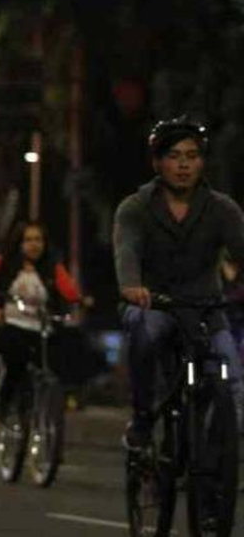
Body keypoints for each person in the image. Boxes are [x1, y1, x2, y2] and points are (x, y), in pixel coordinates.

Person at [114, 116, 244, 449]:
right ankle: (142, 418)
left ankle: (222, 462)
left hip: (205, 309)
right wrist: (131, 285)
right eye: (174, 156)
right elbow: (126, 247)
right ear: (157, 162)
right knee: (142, 334)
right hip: (154, 304)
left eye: (192, 155)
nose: (184, 165)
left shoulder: (222, 209)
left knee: (232, 380)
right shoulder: (136, 207)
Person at [0, 221, 81, 421]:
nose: (34, 245)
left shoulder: (51, 266)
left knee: (65, 352)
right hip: (9, 326)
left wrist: (75, 294)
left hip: (40, 328)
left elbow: (70, 293)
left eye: (38, 240)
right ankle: (4, 400)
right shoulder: (4, 263)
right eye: (28, 240)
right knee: (15, 360)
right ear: (19, 243)